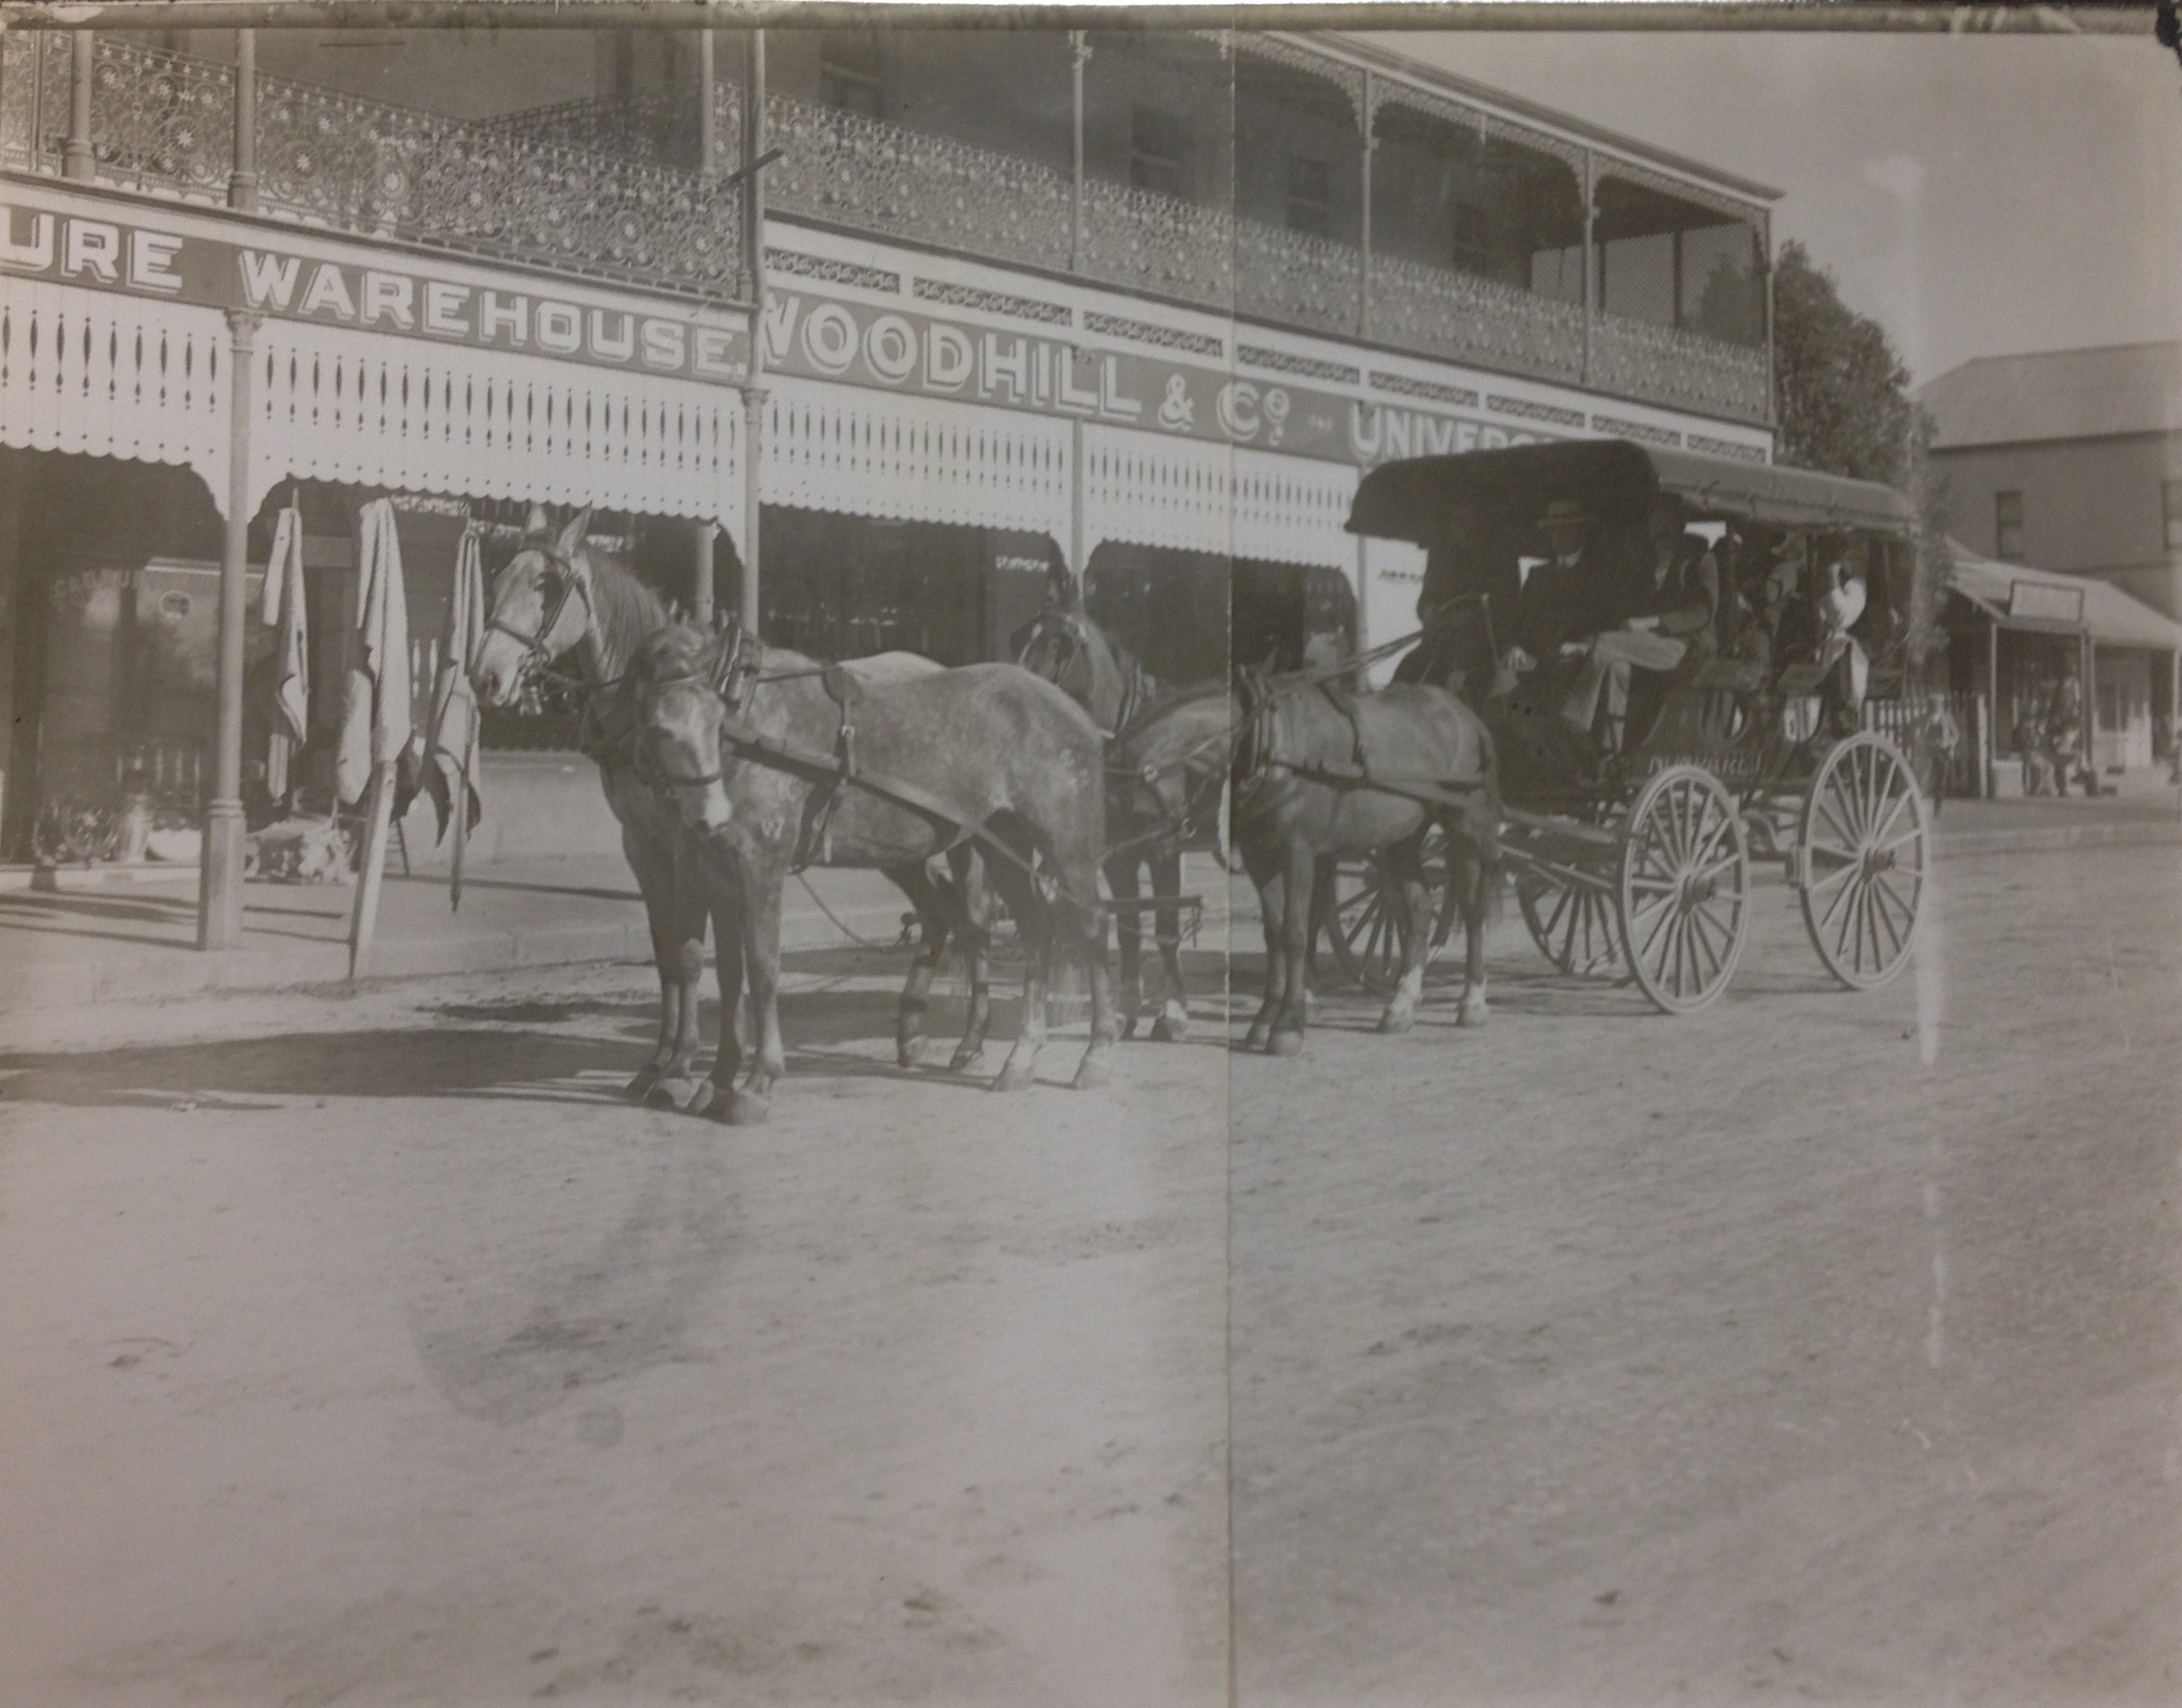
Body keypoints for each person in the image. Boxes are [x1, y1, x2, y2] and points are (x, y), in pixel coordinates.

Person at [1555, 492, 1715, 751]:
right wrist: (1590, 640)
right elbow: (1624, 613)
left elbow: (1702, 613)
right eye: (1656, 523)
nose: (1661, 530)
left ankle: (1574, 723)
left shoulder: (1699, 561)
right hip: (1646, 647)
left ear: (1681, 524)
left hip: (1684, 649)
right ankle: (1612, 749)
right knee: (1617, 666)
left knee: (1606, 644)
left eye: (1668, 522)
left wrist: (1652, 622)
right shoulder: (1645, 566)